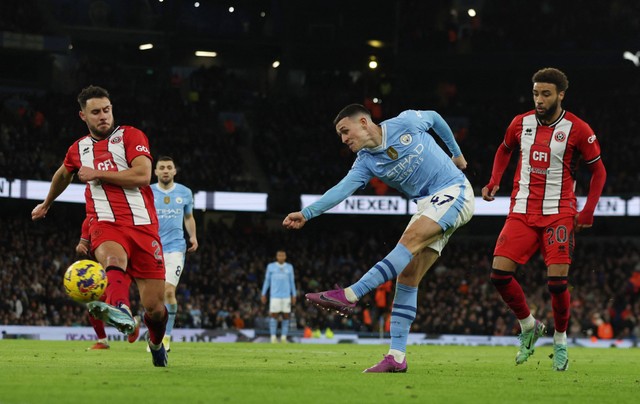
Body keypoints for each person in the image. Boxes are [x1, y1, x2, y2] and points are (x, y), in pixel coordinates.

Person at [283, 104, 474, 372]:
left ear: (363, 122)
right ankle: (396, 356)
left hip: (454, 190)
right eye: (340, 135)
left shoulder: (405, 122)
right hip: (427, 205)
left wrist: (457, 154)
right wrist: (307, 213)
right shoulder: (365, 162)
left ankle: (350, 294)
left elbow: (435, 118)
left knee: (407, 243)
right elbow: (341, 190)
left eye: (345, 131)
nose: (343, 139)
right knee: (407, 276)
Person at [31, 85, 169, 366]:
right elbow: (62, 174)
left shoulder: (130, 136)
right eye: (96, 112)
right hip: (105, 222)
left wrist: (98, 174)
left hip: (144, 227)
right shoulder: (78, 148)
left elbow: (143, 175)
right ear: (83, 115)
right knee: (113, 257)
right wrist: (47, 203)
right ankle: (119, 309)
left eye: (107, 110)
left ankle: (155, 342)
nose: (103, 116)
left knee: (155, 309)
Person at [482, 67, 606, 371]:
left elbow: (599, 171)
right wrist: (495, 179)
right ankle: (529, 325)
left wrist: (588, 209)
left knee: (556, 283)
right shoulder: (519, 123)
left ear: (561, 95)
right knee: (499, 275)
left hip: (559, 213)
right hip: (522, 211)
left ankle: (560, 341)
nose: (539, 99)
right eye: (536, 93)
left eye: (546, 94)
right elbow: (503, 149)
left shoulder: (578, 129)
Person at [150, 156, 198, 352]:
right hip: (152, 249)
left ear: (175, 171)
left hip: (175, 248)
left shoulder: (184, 192)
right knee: (154, 297)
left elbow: (188, 217)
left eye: (169, 167)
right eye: (162, 168)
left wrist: (193, 237)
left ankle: (167, 337)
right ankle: (155, 334)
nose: (166, 171)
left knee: (169, 291)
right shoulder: (148, 191)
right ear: (155, 172)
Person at [75, 215, 139, 350]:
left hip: (125, 267)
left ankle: (130, 322)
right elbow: (83, 242)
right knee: (93, 300)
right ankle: (103, 340)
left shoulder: (120, 215)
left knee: (110, 298)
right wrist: (80, 247)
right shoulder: (89, 221)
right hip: (104, 268)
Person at [260, 249, 297, 343]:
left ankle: (284, 337)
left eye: (282, 255)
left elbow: (292, 282)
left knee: (286, 316)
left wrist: (294, 295)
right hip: (274, 296)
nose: (281, 257)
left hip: (286, 296)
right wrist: (263, 293)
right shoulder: (271, 267)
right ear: (277, 257)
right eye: (279, 255)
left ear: (285, 257)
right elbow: (267, 281)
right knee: (273, 315)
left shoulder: (289, 267)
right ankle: (273, 337)